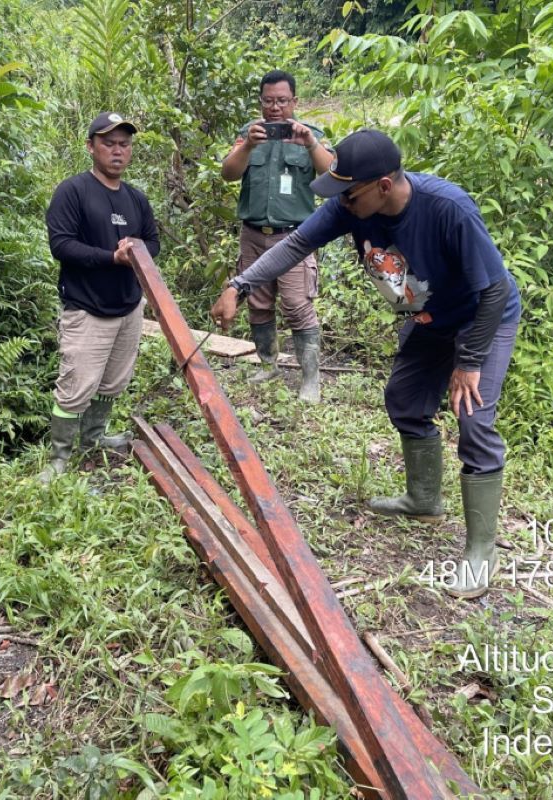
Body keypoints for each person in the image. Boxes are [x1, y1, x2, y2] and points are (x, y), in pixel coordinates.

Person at [211, 130, 521, 599]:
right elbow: (296, 245)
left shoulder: (447, 209)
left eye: (348, 193)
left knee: (473, 417)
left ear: (382, 186)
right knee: (404, 399)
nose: (340, 202)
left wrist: (470, 360)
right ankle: (424, 500)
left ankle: (481, 552)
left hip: (483, 319)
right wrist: (239, 283)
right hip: (431, 319)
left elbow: (494, 289)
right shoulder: (350, 206)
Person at [40, 112, 159, 482]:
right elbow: (61, 245)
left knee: (112, 382)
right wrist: (112, 257)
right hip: (87, 308)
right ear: (91, 146)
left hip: (128, 307)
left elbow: (153, 241)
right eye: (109, 143)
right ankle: (59, 458)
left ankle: (93, 439)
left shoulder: (136, 199)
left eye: (124, 144)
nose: (118, 151)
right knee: (76, 386)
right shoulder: (72, 192)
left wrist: (139, 248)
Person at [219, 70, 334, 403]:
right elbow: (228, 173)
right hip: (254, 234)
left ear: (294, 102)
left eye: (282, 101)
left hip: (294, 238)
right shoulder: (248, 134)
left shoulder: (310, 135)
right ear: (261, 101)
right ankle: (268, 364)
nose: (275, 108)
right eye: (268, 101)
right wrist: (249, 146)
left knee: (298, 305)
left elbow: (331, 175)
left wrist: (311, 144)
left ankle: (310, 379)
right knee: (257, 302)